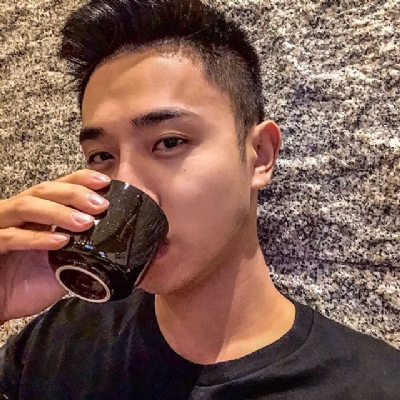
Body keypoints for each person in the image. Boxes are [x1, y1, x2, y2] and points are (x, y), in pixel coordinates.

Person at [0, 0, 398, 398]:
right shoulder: (55, 343)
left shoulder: (372, 387)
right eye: (102, 156)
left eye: (168, 142)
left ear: (260, 155)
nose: (127, 187)